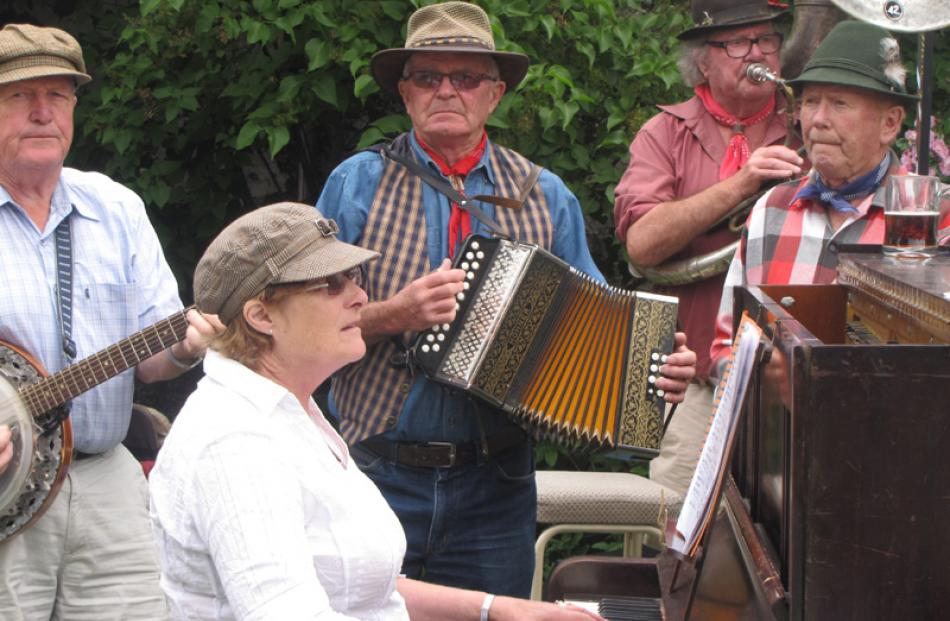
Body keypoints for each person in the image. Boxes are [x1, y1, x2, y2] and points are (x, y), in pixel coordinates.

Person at [316, 1, 697, 598]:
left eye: (465, 77)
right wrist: (397, 314)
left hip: (497, 482)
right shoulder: (355, 184)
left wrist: (658, 370)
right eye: (427, 77)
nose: (446, 90)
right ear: (405, 93)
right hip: (376, 472)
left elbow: (605, 329)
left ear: (494, 94)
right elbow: (299, 330)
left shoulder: (545, 195)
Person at [149, 201, 605, 621]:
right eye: (330, 285)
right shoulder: (236, 443)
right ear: (261, 316)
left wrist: (501, 610)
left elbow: (365, 591)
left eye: (354, 279)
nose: (359, 298)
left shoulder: (290, 409)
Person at [0, 24, 221, 619]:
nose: (43, 112)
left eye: (59, 95)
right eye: (21, 95)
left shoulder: (115, 208)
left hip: (105, 478)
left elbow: (152, 357)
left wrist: (184, 349)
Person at [613, 0, 803, 497]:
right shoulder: (664, 134)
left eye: (766, 41)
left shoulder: (807, 123)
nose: (756, 53)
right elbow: (644, 244)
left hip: (795, 383)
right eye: (737, 44)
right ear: (703, 60)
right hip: (697, 379)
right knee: (682, 525)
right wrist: (743, 184)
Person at [710, 20, 950, 371]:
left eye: (839, 104)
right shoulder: (772, 209)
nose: (818, 119)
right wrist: (754, 369)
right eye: (810, 102)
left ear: (890, 124)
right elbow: (723, 347)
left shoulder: (935, 215)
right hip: (780, 425)